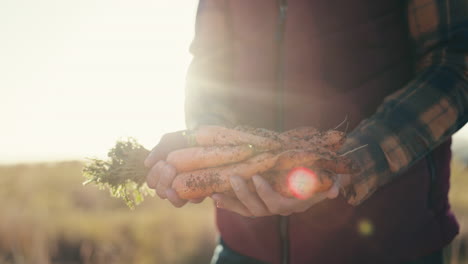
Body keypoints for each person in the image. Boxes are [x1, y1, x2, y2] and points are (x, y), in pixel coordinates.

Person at [144, 1, 468, 263]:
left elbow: (456, 63)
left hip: (389, 247)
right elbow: (209, 64)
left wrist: (348, 162)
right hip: (242, 249)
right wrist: (204, 142)